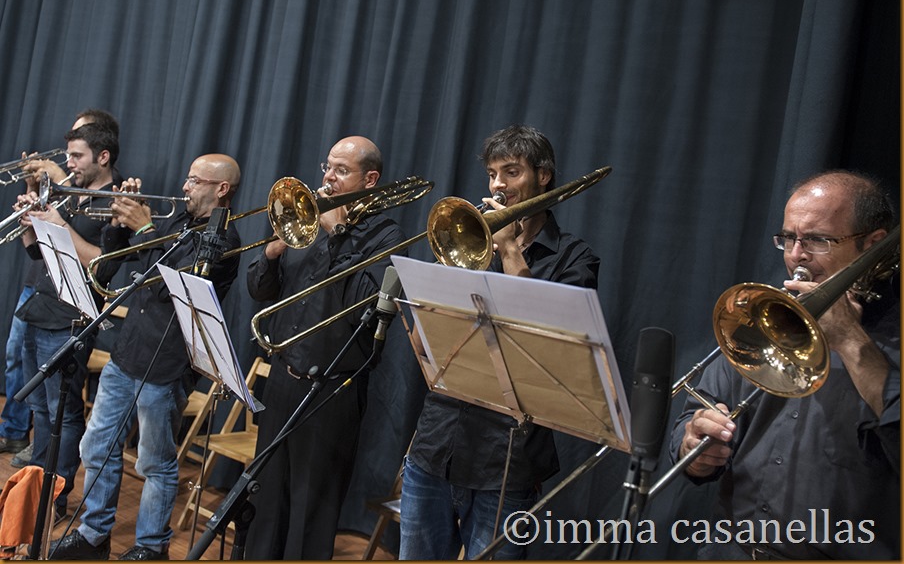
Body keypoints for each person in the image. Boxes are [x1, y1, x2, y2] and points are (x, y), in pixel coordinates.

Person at [669, 170, 899, 559]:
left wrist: (850, 340)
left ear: (871, 244)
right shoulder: (763, 314)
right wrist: (692, 444)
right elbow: (696, 415)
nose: (795, 256)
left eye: (817, 240)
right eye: (788, 238)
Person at [399, 124, 601, 560]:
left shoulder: (574, 257)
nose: (497, 185)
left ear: (542, 175)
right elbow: (422, 348)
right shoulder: (470, 243)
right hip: (437, 445)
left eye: (510, 172)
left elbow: (549, 346)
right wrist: (444, 278)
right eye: (492, 174)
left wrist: (509, 251)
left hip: (506, 458)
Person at [49, 153, 242, 560]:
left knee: (154, 463)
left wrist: (147, 227)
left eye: (195, 180)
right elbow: (116, 261)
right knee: (96, 448)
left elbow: (173, 284)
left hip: (166, 365)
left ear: (221, 189)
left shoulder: (224, 240)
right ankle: (94, 533)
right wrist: (119, 227)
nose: (185, 186)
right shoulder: (175, 222)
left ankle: (151, 547)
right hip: (127, 352)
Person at [245, 136, 406, 559]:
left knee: (310, 510)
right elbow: (259, 290)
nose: (327, 178)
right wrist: (274, 252)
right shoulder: (306, 223)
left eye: (340, 170)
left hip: (331, 392)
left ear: (370, 179)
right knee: (267, 500)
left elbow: (363, 311)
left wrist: (338, 234)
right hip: (283, 379)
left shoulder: (386, 236)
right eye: (327, 167)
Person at [1, 109, 120, 469]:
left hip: (71, 320)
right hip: (39, 309)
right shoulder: (70, 195)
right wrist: (28, 220)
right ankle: (38, 485)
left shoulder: (115, 203)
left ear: (103, 157)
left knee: (62, 413)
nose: (68, 164)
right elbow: (37, 252)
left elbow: (102, 263)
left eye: (76, 156)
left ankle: (59, 490)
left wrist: (59, 223)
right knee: (38, 407)